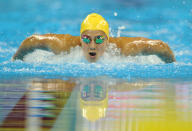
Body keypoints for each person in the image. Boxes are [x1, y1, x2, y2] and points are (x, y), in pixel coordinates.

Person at [12, 13, 176, 63]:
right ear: (80, 38)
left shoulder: (124, 49)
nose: (92, 45)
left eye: (98, 39)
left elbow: (161, 46)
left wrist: (172, 65)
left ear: (107, 40)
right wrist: (15, 59)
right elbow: (31, 41)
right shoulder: (65, 46)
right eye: (86, 38)